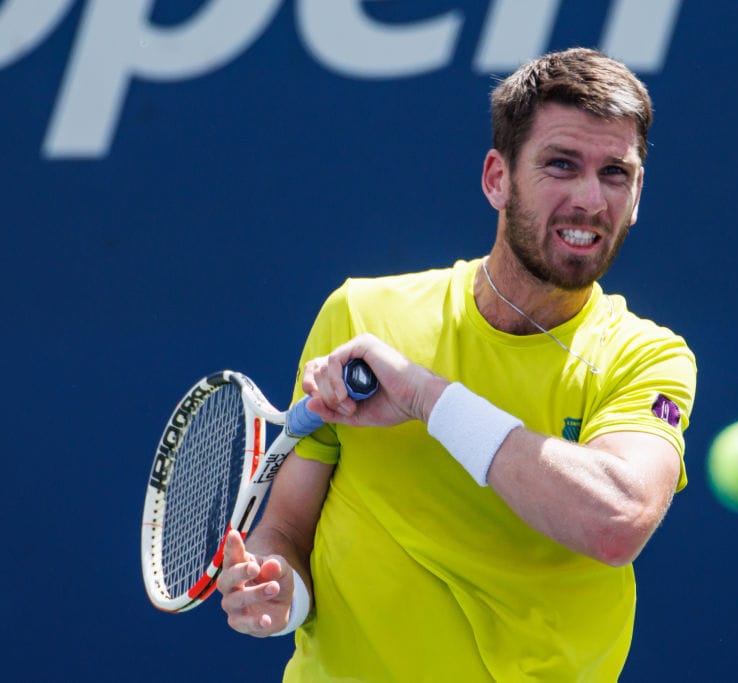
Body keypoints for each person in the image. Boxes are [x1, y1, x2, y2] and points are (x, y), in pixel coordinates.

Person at [218, 47, 697, 681]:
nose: (590, 197)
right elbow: (284, 528)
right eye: (561, 164)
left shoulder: (646, 357)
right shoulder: (360, 313)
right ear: (497, 178)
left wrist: (426, 398)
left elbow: (615, 522)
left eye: (616, 173)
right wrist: (280, 595)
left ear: (636, 196)